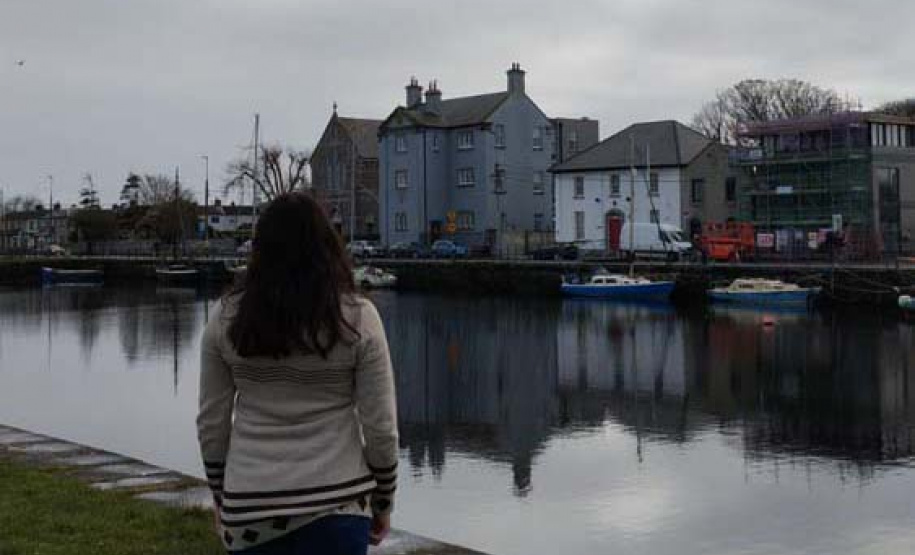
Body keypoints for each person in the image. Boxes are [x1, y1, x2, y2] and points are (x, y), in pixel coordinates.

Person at [197, 192, 398, 554]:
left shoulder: (225, 319)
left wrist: (221, 495)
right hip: (338, 511)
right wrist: (382, 503)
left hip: (250, 510)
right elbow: (381, 428)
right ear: (328, 247)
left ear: (259, 251)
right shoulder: (359, 319)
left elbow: (212, 425)